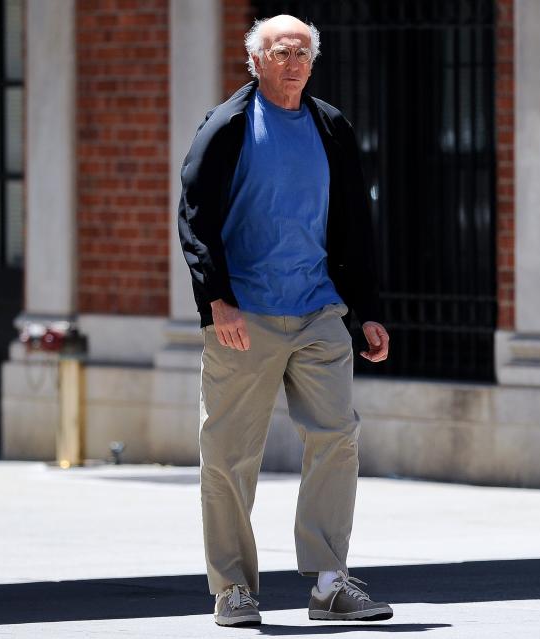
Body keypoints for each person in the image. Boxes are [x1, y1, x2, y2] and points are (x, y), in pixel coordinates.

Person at [178, 13, 392, 627]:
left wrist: (368, 311)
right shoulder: (227, 127)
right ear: (255, 60)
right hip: (244, 314)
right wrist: (216, 300)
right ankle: (233, 588)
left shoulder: (330, 127)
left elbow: (354, 221)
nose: (293, 61)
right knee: (227, 454)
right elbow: (194, 217)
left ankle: (328, 581)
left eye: (302, 51)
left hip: (319, 307)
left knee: (336, 438)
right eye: (280, 51)